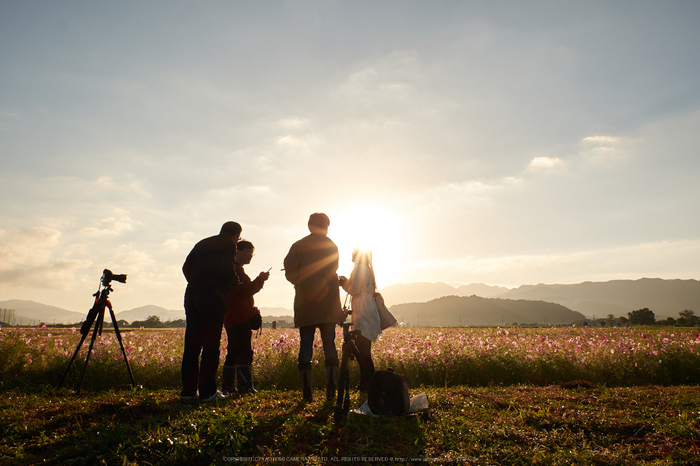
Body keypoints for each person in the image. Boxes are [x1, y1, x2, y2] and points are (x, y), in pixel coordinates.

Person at [283, 213, 345, 403]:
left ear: (309, 226)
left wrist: (301, 280)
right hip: (328, 303)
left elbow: (290, 273)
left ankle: (307, 393)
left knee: (305, 345)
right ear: (327, 226)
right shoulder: (331, 245)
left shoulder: (298, 245)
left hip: (306, 302)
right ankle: (331, 391)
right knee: (329, 344)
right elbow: (333, 268)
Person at [181, 221, 241, 401]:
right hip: (211, 296)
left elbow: (185, 267)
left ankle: (188, 392)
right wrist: (235, 283)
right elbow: (226, 268)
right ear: (236, 235)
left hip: (191, 294)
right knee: (210, 345)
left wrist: (195, 282)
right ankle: (208, 392)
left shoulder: (202, 243)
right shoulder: (228, 244)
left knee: (191, 345)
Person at [221, 240, 270, 395]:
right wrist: (260, 280)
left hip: (231, 317)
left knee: (233, 353)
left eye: (252, 252)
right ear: (237, 251)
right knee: (244, 352)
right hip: (239, 316)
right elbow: (244, 291)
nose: (250, 255)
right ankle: (245, 387)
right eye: (247, 251)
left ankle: (228, 387)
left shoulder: (232, 269)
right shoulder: (235, 271)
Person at [339, 248, 381, 393]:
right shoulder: (368, 270)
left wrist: (344, 283)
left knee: (362, 352)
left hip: (363, 313)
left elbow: (354, 289)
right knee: (365, 351)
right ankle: (367, 383)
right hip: (367, 311)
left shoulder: (359, 268)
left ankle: (368, 384)